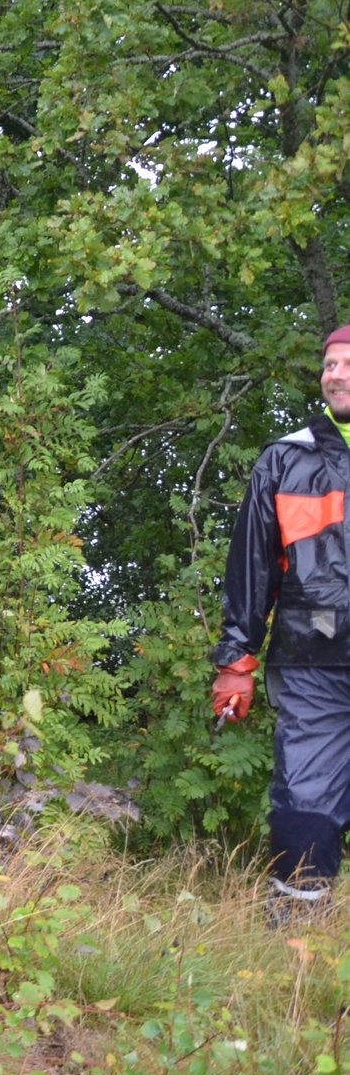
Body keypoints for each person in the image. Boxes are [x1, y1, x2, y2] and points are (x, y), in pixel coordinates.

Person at [215, 324, 350, 923]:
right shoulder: (285, 459)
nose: (336, 374)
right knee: (305, 793)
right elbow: (251, 567)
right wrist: (236, 662)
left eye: (348, 364)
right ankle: (297, 939)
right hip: (312, 655)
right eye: (329, 364)